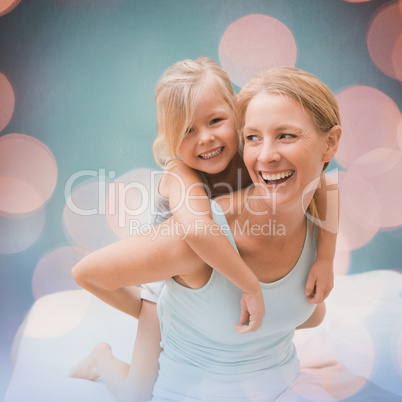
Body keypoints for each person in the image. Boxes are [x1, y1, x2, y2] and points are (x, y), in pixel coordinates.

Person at [70, 64, 341, 401]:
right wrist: (247, 286)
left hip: (233, 258)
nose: (206, 138)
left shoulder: (254, 149)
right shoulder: (180, 173)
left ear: (236, 114)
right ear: (170, 140)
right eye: (187, 130)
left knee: (313, 313)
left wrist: (325, 260)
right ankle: (103, 359)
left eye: (215, 121)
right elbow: (199, 231)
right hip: (171, 278)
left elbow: (326, 187)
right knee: (137, 392)